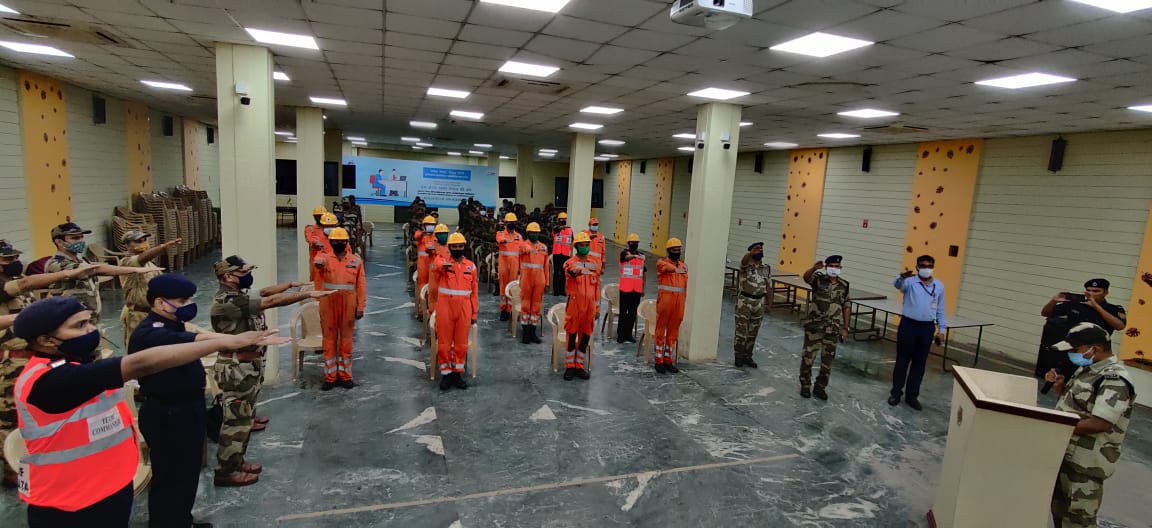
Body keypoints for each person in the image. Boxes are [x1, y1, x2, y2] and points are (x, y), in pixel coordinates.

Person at [10, 296, 283, 527]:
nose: (93, 329)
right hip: (69, 504)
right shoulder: (47, 382)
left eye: (90, 321)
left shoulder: (74, 365)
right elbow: (139, 364)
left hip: (105, 488)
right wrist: (223, 343)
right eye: (80, 325)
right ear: (46, 340)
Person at [128, 274, 281, 528]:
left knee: (187, 473)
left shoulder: (173, 323)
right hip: (168, 413)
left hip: (186, 408)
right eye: (181, 300)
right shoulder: (150, 333)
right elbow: (192, 342)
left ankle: (181, 519)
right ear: (159, 303)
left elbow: (194, 333)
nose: (188, 304)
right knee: (171, 476)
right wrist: (234, 341)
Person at [1, 240, 151, 488]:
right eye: (7, 259)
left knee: (53, 414)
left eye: (14, 256)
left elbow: (94, 270)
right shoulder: (18, 283)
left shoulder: (19, 282)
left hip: (47, 355)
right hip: (13, 361)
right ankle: (14, 470)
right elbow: (27, 285)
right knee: (10, 419)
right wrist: (34, 319)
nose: (13, 262)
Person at [210, 255, 332, 485]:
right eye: (242, 273)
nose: (247, 276)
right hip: (237, 367)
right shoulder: (226, 302)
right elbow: (268, 302)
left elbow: (265, 292)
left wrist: (290, 285)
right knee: (235, 422)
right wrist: (307, 295)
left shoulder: (238, 295)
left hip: (246, 366)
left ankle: (237, 461)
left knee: (244, 419)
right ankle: (226, 471)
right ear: (227, 277)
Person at [1044, 322, 1134, 528]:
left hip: (1085, 464)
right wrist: (1060, 388)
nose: (1072, 354)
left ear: (1097, 348)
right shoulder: (1088, 369)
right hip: (1067, 455)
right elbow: (1080, 407)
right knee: (1061, 514)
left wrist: (1052, 426)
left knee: (1078, 521)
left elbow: (1100, 422)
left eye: (1076, 350)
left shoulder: (1115, 378)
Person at [1037, 278, 1127, 385]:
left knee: (1087, 385)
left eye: (1096, 291)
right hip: (1072, 351)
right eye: (1088, 290)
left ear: (1106, 292)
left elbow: (1120, 326)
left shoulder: (1113, 309)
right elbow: (1046, 313)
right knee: (1060, 383)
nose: (1091, 293)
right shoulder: (1076, 304)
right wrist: (1053, 301)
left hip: (1094, 354)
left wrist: (1096, 307)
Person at [887, 254, 947, 411]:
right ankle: (896, 393)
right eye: (923, 265)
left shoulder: (939, 286)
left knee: (919, 363)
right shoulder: (910, 282)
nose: (926, 268)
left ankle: (912, 396)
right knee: (902, 360)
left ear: (933, 267)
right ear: (917, 267)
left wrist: (941, 330)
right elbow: (897, 285)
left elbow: (940, 309)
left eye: (929, 265)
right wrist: (901, 276)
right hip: (909, 325)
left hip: (926, 328)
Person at [313, 228, 367, 390]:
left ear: (346, 243)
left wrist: (360, 306)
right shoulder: (324, 258)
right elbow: (317, 268)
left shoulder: (356, 261)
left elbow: (361, 285)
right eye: (335, 241)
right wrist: (317, 299)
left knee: (346, 340)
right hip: (328, 303)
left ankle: (345, 376)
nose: (338, 244)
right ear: (330, 242)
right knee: (329, 340)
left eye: (341, 241)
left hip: (348, 304)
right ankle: (330, 377)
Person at [118, 230, 182, 350]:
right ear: (127, 245)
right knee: (139, 350)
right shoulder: (127, 262)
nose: (143, 244)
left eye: (144, 240)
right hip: (137, 314)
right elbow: (142, 258)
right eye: (137, 241)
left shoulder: (150, 264)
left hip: (153, 313)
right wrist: (163, 247)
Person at [799, 256, 851, 400]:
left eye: (837, 265)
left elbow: (846, 306)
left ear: (840, 268)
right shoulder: (818, 280)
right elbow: (806, 277)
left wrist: (845, 328)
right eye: (832, 265)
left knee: (827, 361)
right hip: (815, 326)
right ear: (827, 267)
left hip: (832, 329)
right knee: (808, 357)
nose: (835, 268)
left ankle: (820, 387)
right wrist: (815, 267)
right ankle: (805, 385)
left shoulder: (844, 285)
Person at [433, 232, 478, 390]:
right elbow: (436, 265)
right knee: (444, 343)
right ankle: (446, 374)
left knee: (461, 344)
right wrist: (443, 264)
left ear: (464, 247)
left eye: (460, 246)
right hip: (445, 308)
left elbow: (474, 292)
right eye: (454, 246)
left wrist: (474, 313)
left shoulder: (470, 266)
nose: (458, 249)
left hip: (464, 309)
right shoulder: (443, 262)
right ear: (450, 248)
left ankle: (457, 373)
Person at [43, 223, 101, 322]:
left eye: (81, 237)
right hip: (71, 320)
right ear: (59, 242)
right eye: (75, 238)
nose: (80, 241)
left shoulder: (81, 260)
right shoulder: (56, 263)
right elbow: (95, 269)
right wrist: (132, 269)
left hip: (91, 317)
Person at [562, 232, 600, 381]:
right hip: (574, 305)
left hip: (590, 307)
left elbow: (596, 286)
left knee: (585, 337)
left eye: (586, 245)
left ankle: (579, 366)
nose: (584, 247)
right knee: (571, 336)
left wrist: (597, 308)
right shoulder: (570, 262)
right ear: (576, 246)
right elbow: (570, 271)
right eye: (582, 245)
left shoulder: (594, 263)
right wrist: (581, 270)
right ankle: (570, 366)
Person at [734, 242, 771, 368]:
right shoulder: (746, 266)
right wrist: (750, 253)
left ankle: (747, 356)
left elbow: (768, 286)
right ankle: (738, 356)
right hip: (745, 301)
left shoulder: (766, 268)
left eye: (761, 249)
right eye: (756, 249)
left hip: (759, 302)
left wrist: (769, 304)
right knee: (741, 331)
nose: (759, 251)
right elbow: (743, 261)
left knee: (753, 332)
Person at [654, 238, 687, 374]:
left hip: (678, 305)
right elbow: (665, 267)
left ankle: (668, 360)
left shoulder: (684, 266)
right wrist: (675, 269)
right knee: (661, 332)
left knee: (673, 334)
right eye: (674, 250)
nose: (677, 252)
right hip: (665, 304)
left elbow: (685, 287)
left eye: (678, 250)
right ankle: (658, 361)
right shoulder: (662, 263)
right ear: (668, 251)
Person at [518, 222, 549, 344]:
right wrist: (528, 247)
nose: (535, 235)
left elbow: (546, 266)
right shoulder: (523, 244)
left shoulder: (543, 248)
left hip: (539, 279)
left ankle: (533, 332)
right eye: (532, 233)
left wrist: (547, 282)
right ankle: (525, 332)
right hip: (526, 279)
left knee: (536, 306)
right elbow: (521, 249)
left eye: (536, 233)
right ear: (528, 233)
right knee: (525, 305)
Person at [617, 234, 645, 344]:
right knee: (623, 312)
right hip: (625, 289)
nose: (635, 244)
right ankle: (621, 335)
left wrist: (643, 287)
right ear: (628, 243)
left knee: (633, 313)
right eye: (632, 242)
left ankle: (628, 334)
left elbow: (644, 273)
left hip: (636, 290)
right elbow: (626, 258)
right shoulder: (624, 253)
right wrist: (634, 257)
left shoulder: (642, 256)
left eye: (636, 242)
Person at [496, 213, 522, 321]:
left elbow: (521, 251)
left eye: (513, 223)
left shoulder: (519, 236)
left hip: (515, 266)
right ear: (505, 223)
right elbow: (499, 240)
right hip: (504, 265)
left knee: (512, 288)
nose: (511, 224)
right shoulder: (500, 233)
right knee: (503, 288)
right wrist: (506, 240)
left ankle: (510, 310)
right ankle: (503, 310)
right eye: (509, 222)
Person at [413, 215, 438, 315]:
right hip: (422, 264)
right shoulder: (420, 234)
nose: (430, 226)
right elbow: (416, 236)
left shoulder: (436, 236)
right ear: (424, 225)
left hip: (433, 263)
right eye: (428, 225)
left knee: (433, 286)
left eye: (432, 225)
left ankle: (432, 308)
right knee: (422, 285)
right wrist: (423, 233)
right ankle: (422, 308)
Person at [426, 224, 451, 316]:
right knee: (434, 298)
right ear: (436, 235)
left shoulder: (450, 246)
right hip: (435, 275)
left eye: (444, 233)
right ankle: (433, 318)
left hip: (447, 276)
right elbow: (427, 249)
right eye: (440, 234)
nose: (443, 236)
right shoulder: (433, 245)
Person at [551, 212, 573, 296]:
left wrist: (571, 253)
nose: (563, 220)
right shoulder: (555, 228)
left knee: (564, 273)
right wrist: (562, 227)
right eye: (561, 219)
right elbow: (555, 230)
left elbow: (571, 241)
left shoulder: (570, 230)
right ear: (558, 220)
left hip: (566, 254)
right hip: (557, 253)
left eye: (564, 219)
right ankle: (555, 290)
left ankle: (562, 290)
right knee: (556, 272)